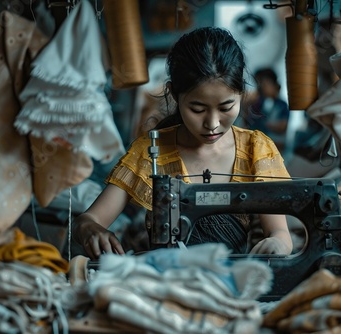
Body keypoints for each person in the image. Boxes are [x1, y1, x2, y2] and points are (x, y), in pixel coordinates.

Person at [73, 27, 293, 259]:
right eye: (197, 109)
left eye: (226, 108)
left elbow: (280, 232)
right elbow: (88, 220)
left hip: (232, 284)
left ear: (241, 93)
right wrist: (91, 229)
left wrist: (278, 244)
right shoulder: (152, 151)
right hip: (167, 284)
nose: (212, 123)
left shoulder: (256, 150)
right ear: (174, 95)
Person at [245, 68, 290, 151]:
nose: (262, 87)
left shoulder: (282, 105)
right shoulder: (259, 102)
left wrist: (267, 124)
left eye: (265, 84)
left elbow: (283, 126)